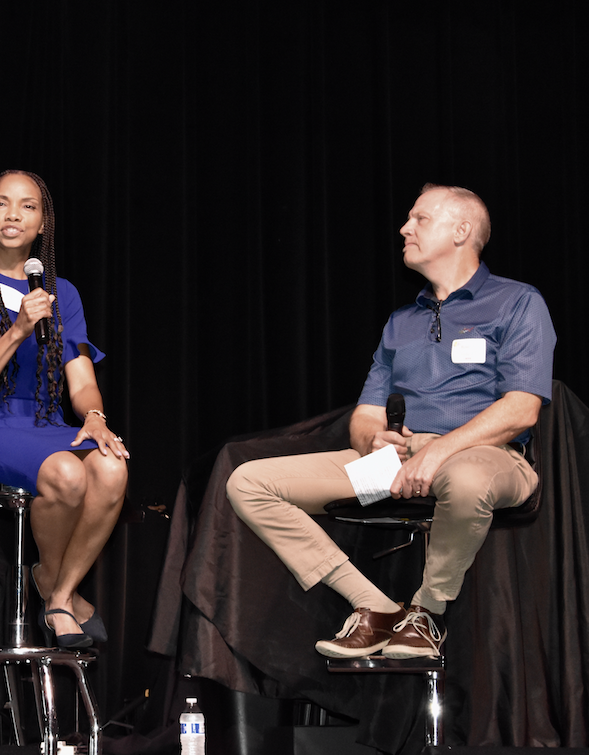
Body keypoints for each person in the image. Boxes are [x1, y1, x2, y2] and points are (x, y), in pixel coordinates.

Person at [226, 183, 554, 659]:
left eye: (420, 218)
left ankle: (426, 614)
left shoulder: (517, 302)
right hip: (397, 466)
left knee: (464, 480)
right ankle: (376, 608)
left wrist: (439, 450)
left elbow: (522, 408)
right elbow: (365, 414)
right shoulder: (402, 321)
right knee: (249, 482)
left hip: (487, 459)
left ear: (462, 231)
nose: (405, 228)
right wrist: (373, 443)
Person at [0, 170, 129, 648]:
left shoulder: (63, 293)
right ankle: (59, 597)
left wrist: (95, 418)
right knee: (69, 475)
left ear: (42, 223)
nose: (13, 215)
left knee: (112, 468)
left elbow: (81, 382)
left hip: (45, 424)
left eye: (27, 206)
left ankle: (58, 593)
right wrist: (17, 331)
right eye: (0, 204)